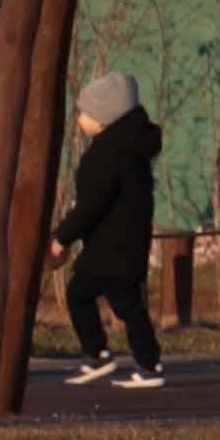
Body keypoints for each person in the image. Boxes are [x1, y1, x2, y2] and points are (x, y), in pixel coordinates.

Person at [53, 69, 166, 391]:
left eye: (85, 114)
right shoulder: (131, 150)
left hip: (108, 246)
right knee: (128, 305)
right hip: (127, 243)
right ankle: (149, 364)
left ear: (104, 119)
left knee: (79, 295)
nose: (79, 120)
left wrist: (62, 236)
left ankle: (99, 355)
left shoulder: (107, 155)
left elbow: (91, 205)